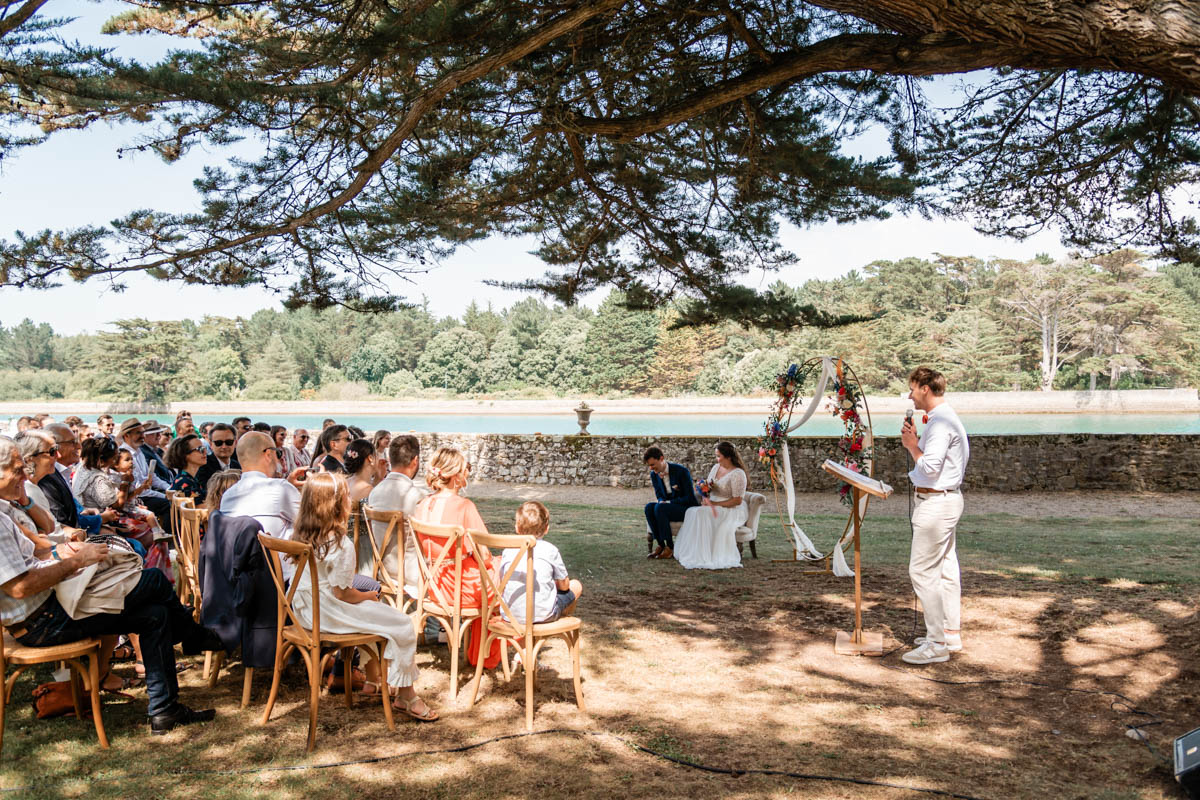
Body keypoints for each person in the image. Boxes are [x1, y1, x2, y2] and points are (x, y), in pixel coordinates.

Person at [0, 436, 220, 733]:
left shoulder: (6, 507)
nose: (25, 475)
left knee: (156, 614)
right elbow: (18, 587)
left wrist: (60, 552)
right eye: (17, 469)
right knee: (154, 580)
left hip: (49, 609)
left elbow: (36, 547)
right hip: (42, 622)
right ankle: (192, 636)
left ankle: (165, 710)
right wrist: (75, 562)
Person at [287, 472, 437, 720]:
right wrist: (369, 596)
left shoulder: (300, 536)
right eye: (347, 496)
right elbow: (343, 594)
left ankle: (373, 681)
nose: (351, 500)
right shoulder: (340, 543)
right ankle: (406, 696)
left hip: (304, 612)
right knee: (400, 623)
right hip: (328, 614)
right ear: (337, 505)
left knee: (379, 617)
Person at [899, 366, 970, 666]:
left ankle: (936, 644)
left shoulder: (941, 423)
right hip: (947, 500)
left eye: (913, 388)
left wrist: (912, 446)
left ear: (925, 388)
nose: (910, 395)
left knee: (922, 571)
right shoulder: (945, 418)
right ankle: (949, 633)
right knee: (945, 569)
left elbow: (929, 468)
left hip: (936, 504)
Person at [411, 447, 499, 668]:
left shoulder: (423, 505)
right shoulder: (464, 506)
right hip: (458, 588)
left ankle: (480, 651)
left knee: (492, 575)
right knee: (504, 575)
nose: (467, 473)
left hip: (434, 585)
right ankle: (487, 653)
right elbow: (485, 552)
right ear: (456, 475)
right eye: (464, 468)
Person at [219, 433, 305, 578]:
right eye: (278, 453)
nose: (278, 457)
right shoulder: (281, 489)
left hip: (237, 578)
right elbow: (311, 524)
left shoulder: (228, 495)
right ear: (268, 454)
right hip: (280, 583)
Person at [500, 501, 582, 625]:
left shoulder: (508, 550)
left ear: (517, 527)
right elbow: (564, 586)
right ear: (547, 528)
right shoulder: (550, 550)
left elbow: (502, 582)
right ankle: (558, 623)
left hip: (510, 615)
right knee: (576, 585)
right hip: (542, 615)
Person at [672, 441, 748, 570]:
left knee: (701, 513)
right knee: (691, 511)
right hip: (713, 504)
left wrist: (715, 503)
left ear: (728, 457)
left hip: (730, 508)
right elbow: (709, 485)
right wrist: (704, 492)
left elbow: (737, 501)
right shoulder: (715, 468)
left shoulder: (738, 474)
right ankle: (696, 552)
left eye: (719, 456)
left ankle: (705, 555)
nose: (717, 459)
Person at [365, 435, 424, 598]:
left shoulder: (375, 492)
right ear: (415, 461)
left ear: (390, 460)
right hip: (411, 574)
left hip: (382, 570)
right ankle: (435, 623)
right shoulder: (417, 496)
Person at [37, 423, 114, 537]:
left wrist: (86, 512)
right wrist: (100, 519)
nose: (78, 446)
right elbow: (62, 521)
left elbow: (72, 511)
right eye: (72, 442)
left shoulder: (62, 472)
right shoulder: (46, 478)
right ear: (56, 446)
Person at [642, 446, 699, 560]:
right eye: (649, 466)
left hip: (686, 508)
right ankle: (661, 545)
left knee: (660, 508)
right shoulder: (654, 474)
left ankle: (670, 547)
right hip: (668, 507)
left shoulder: (681, 471)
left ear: (661, 458)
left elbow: (690, 497)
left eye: (653, 464)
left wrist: (667, 502)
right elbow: (659, 494)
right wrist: (661, 501)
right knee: (649, 507)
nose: (651, 468)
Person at [117, 418, 172, 531]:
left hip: (144, 493)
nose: (142, 436)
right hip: (135, 498)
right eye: (138, 433)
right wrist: (166, 495)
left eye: (143, 432)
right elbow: (140, 488)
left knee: (172, 500)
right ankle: (167, 538)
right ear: (127, 435)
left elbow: (152, 478)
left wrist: (169, 488)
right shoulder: (123, 455)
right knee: (169, 504)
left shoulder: (139, 451)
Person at [195, 422, 240, 491]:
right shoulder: (202, 467)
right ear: (211, 444)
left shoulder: (238, 466)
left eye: (229, 442)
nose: (224, 446)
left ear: (235, 443)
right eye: (218, 443)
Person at [166, 434, 209, 503]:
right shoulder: (185, 482)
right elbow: (199, 510)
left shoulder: (187, 478)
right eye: (200, 449)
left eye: (204, 448)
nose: (205, 452)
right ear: (185, 455)